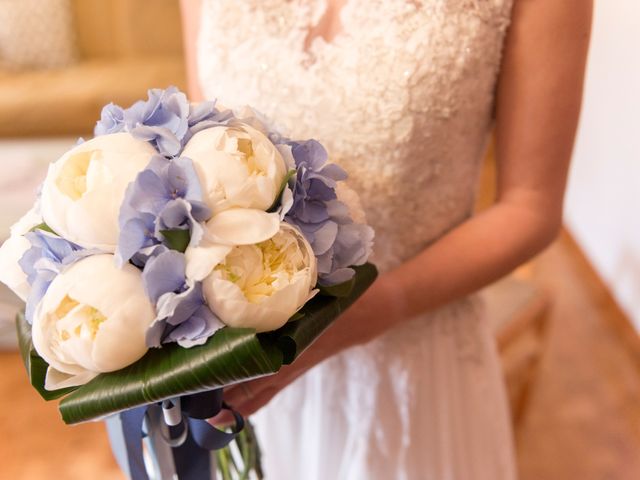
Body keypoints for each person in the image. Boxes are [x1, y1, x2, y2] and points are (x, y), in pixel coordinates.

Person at [180, 0, 592, 478]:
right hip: (253, 364)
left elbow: (530, 207)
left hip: (414, 366)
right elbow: (202, 155)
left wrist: (369, 311)